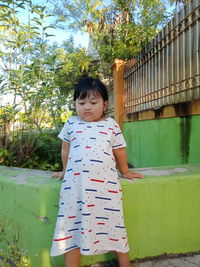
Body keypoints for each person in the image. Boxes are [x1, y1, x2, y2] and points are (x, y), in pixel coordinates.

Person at [50, 77, 144, 267]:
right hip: (75, 191)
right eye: (81, 102)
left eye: (93, 102)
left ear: (105, 104)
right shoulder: (71, 123)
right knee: (71, 229)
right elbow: (65, 150)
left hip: (106, 192)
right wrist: (65, 171)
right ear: (75, 104)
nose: (87, 107)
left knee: (115, 227)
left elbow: (119, 150)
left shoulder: (111, 125)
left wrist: (125, 171)